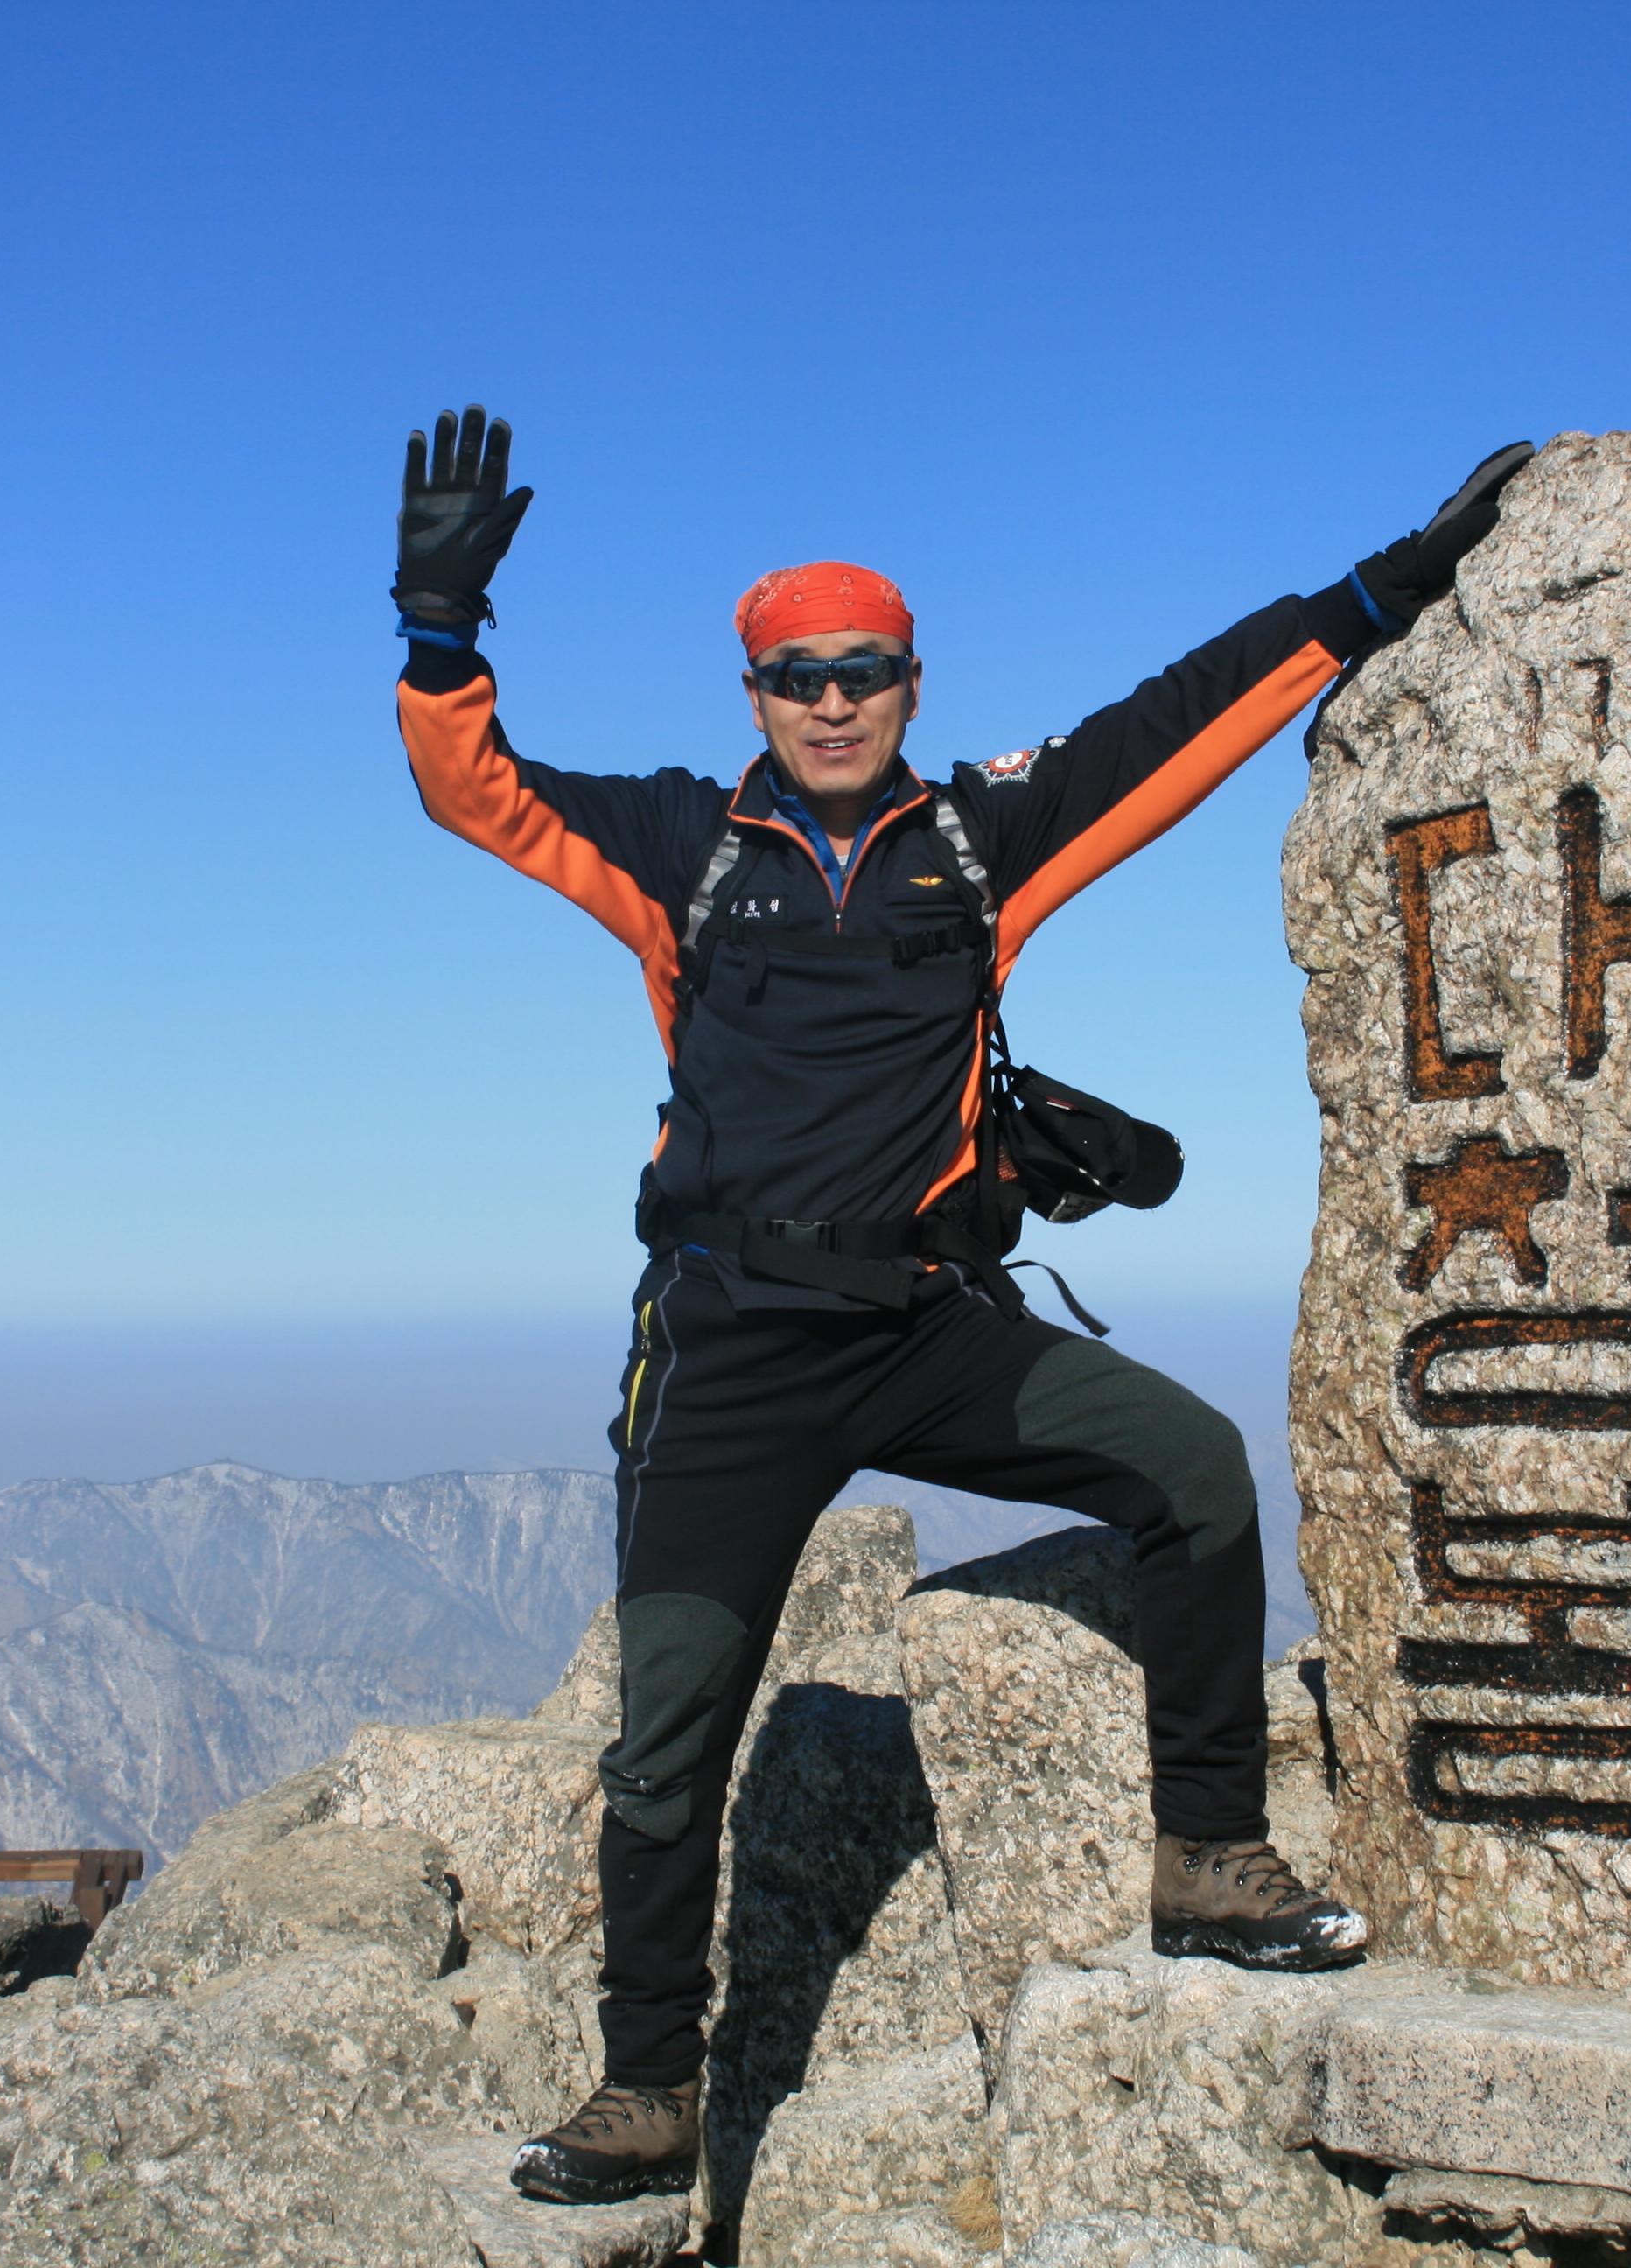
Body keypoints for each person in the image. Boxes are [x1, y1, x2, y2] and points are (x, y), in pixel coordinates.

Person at [386, 405, 1531, 2207]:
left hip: (928, 1327)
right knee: (670, 1735)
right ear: (756, 695)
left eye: (865, 672)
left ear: (911, 685)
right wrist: (440, 631)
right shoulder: (683, 846)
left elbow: (1189, 717)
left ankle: (1208, 1859)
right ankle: (648, 2089)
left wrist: (1385, 587)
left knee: (1194, 1471)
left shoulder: (984, 841)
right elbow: (478, 792)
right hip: (733, 1352)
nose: (833, 702)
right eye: (798, 677)